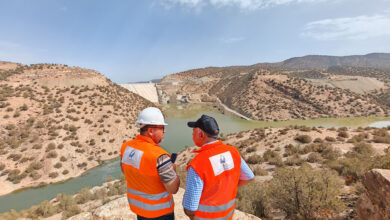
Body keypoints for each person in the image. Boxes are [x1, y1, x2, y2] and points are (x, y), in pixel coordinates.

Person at [183, 115, 254, 220]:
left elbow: (190, 207)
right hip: (228, 215)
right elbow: (249, 177)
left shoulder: (197, 164)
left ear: (201, 134)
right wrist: (227, 188)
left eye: (193, 132)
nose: (192, 135)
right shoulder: (233, 151)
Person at [120, 107, 180, 220]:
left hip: (139, 210)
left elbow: (126, 171)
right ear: (151, 131)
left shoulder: (126, 147)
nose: (164, 131)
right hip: (161, 214)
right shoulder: (159, 156)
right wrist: (173, 171)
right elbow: (173, 189)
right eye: (162, 128)